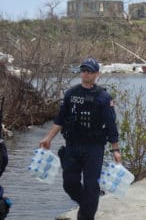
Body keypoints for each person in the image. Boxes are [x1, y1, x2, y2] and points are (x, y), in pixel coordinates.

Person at [39, 58, 121, 220]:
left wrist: (115, 149)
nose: (86, 73)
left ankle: (86, 214)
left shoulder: (103, 97)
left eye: (89, 71)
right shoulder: (71, 94)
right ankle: (87, 204)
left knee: (91, 186)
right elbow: (60, 119)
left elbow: (111, 125)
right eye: (83, 70)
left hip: (94, 148)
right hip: (73, 145)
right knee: (69, 184)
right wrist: (48, 138)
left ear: (96, 74)